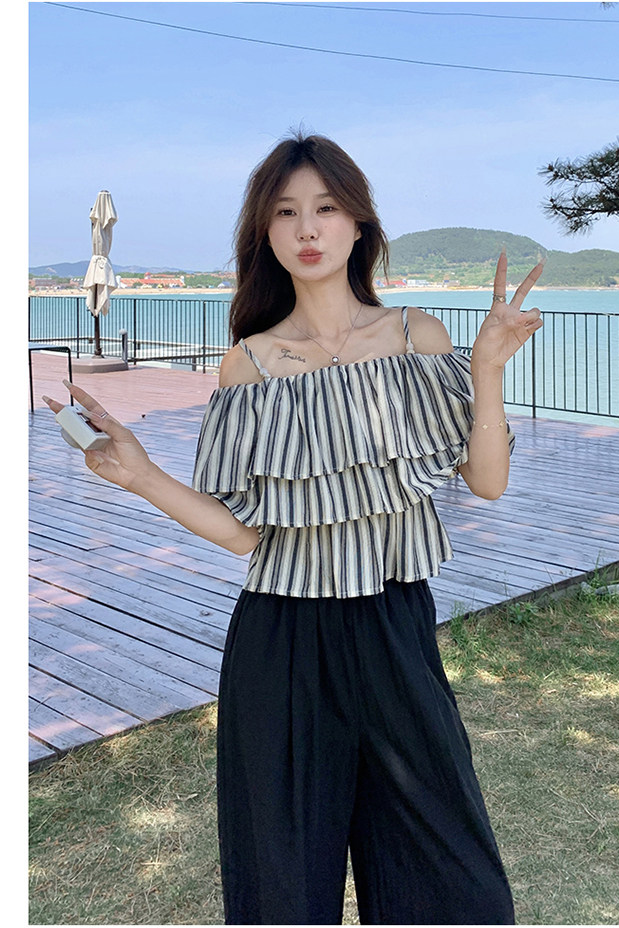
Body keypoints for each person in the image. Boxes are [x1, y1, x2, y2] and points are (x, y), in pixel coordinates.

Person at [43, 132, 543, 926]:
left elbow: (487, 481)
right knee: (280, 889)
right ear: (265, 234)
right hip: (280, 644)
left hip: (395, 629)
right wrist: (140, 474)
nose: (308, 228)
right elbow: (246, 535)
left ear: (358, 223)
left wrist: (486, 371)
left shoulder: (417, 337)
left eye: (326, 207)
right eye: (285, 213)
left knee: (452, 886)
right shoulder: (249, 364)